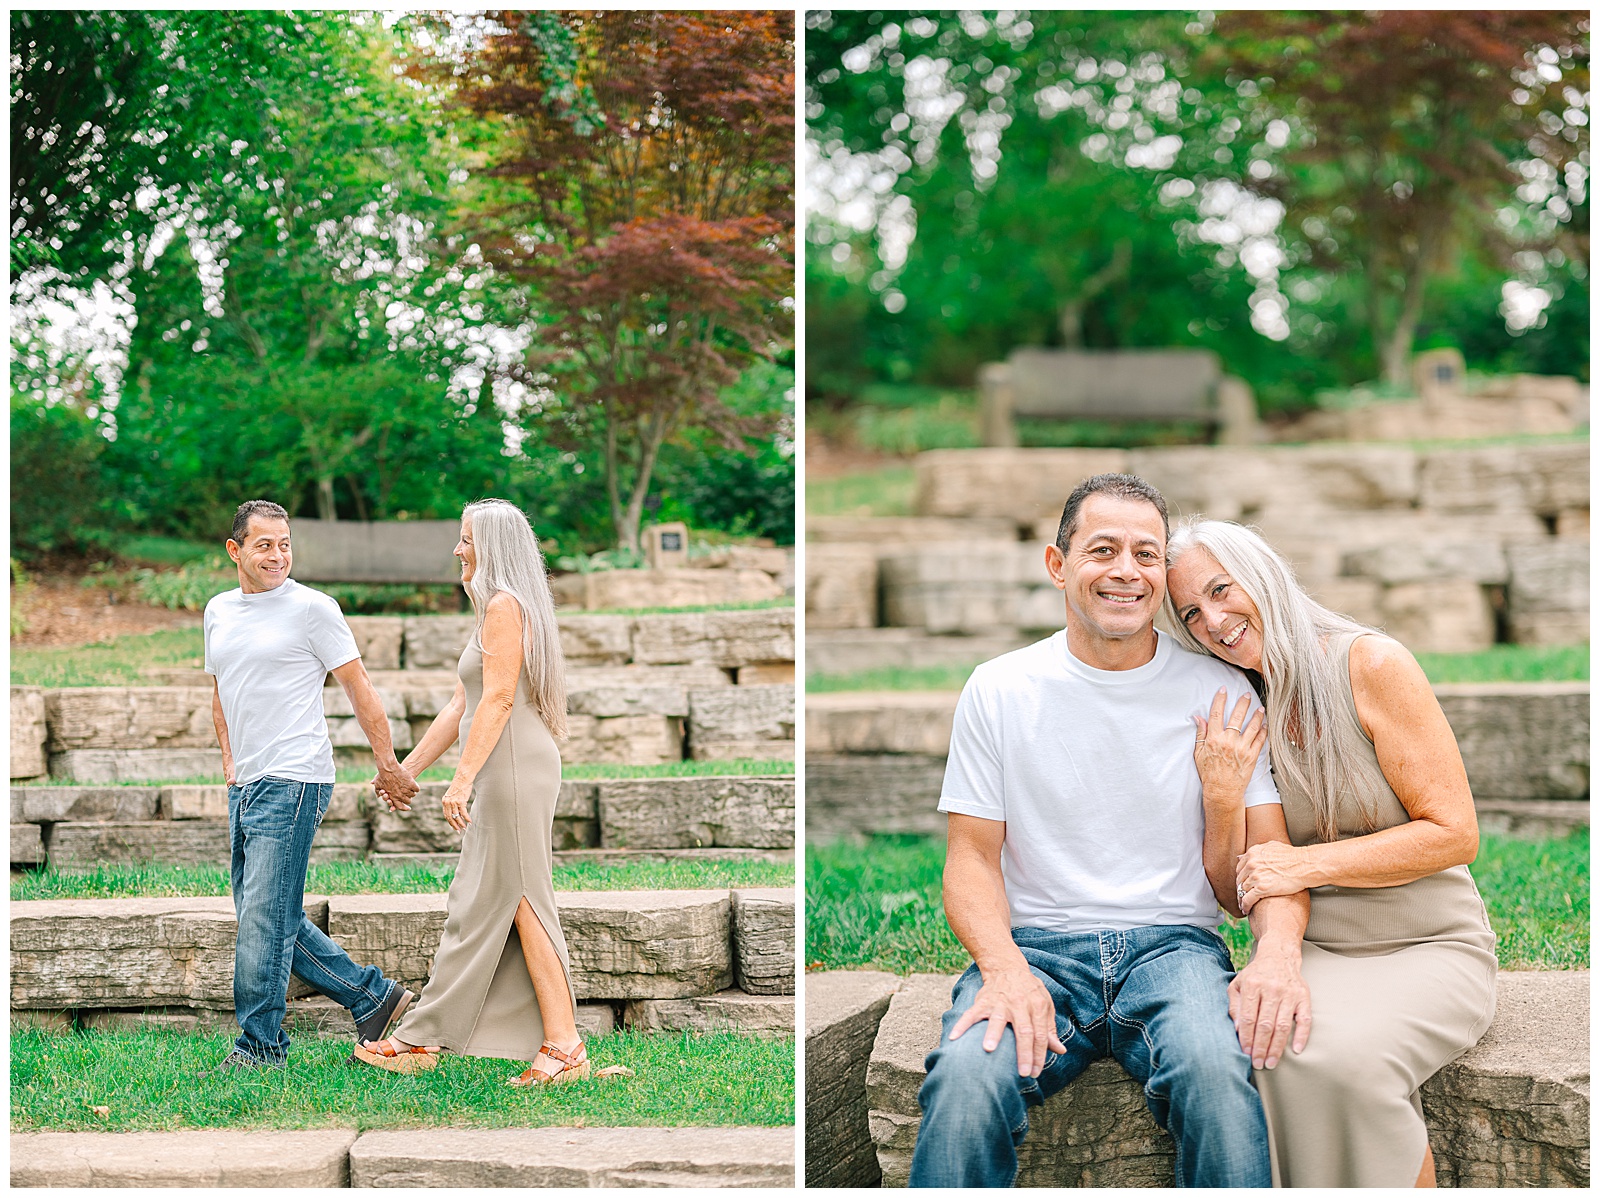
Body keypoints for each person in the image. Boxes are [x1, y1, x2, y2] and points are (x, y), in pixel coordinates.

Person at [908, 473, 1312, 1189]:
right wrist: (1004, 972)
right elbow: (971, 859)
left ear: (1162, 572)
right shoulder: (999, 689)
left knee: (1219, 1077)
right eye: (1103, 550)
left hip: (1174, 951)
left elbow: (1269, 862)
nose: (1127, 570)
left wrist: (1275, 957)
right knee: (966, 1080)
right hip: (1036, 949)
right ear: (1058, 565)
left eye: (1146, 554)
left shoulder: (1217, 688)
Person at [1165, 517, 1497, 1188]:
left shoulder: (1370, 664)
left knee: (1346, 1062)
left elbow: (1455, 832)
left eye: (1223, 590)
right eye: (1191, 613)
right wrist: (1225, 803)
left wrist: (1308, 864)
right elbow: (1243, 888)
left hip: (1428, 942)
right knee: (1269, 1044)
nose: (1215, 621)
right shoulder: (1232, 702)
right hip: (1318, 948)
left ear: (1261, 576)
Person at [353, 498, 586, 1087]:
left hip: (513, 765)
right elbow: (462, 705)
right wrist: (406, 769)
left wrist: (461, 780)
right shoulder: (494, 610)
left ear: (493, 548)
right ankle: (522, 1042)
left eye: (466, 539)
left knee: (518, 900)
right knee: (498, 902)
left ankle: (556, 1046)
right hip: (506, 763)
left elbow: (500, 700)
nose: (457, 550)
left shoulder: (507, 607)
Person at [205, 499, 421, 1071]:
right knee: (268, 913)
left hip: (296, 777)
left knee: (262, 916)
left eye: (284, 543)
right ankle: (371, 995)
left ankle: (260, 1048)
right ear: (236, 551)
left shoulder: (312, 609)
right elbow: (221, 690)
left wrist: (388, 764)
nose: (277, 555)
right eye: (263, 545)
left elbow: (359, 686)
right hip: (247, 781)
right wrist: (230, 762)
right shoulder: (219, 611)